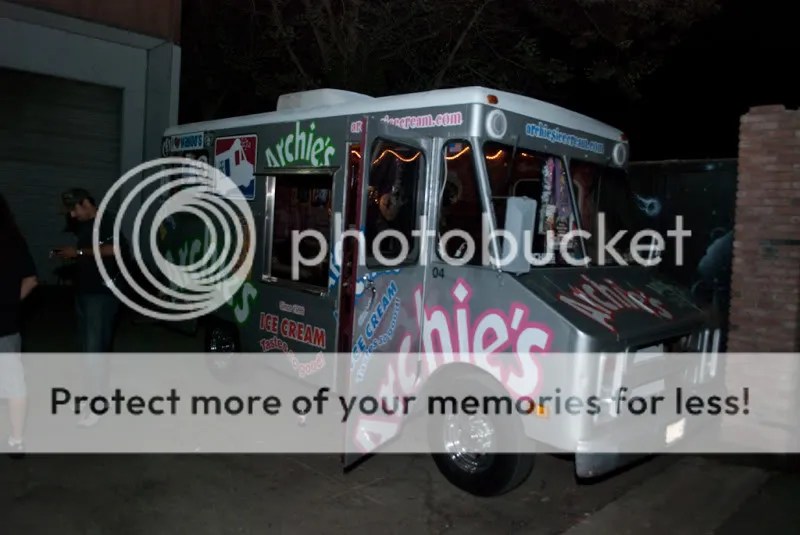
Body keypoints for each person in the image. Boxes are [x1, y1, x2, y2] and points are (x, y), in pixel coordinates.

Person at [53, 188, 124, 427]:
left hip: (101, 296)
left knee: (95, 351)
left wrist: (79, 252)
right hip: (85, 293)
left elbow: (116, 250)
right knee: (86, 349)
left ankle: (98, 405)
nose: (72, 215)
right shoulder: (85, 225)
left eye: (74, 210)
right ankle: (91, 396)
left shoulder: (108, 220)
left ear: (85, 203)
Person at [0, 193, 38, 455]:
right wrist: (10, 303)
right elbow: (31, 280)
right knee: (14, 384)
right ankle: (16, 440)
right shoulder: (13, 240)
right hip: (6, 323)